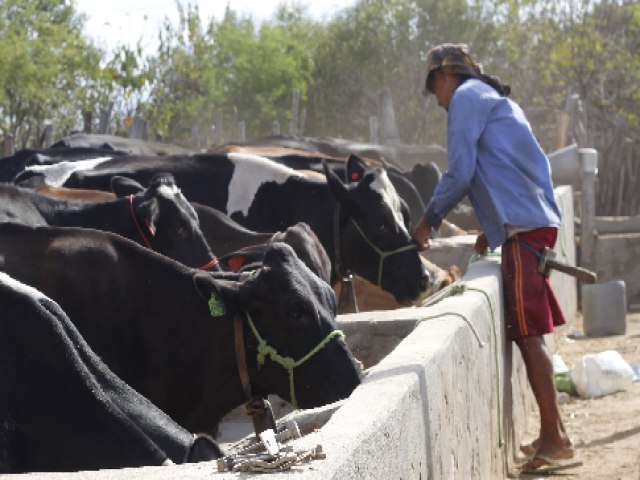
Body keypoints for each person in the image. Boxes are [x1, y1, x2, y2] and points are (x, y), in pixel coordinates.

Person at [412, 43, 579, 474]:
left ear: (446, 76)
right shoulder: (492, 99)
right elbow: (506, 166)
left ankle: (555, 439)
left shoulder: (467, 99)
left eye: (434, 87)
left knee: (528, 334)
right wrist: (494, 224)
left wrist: (429, 220)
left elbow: (462, 170)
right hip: (526, 222)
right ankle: (553, 432)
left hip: (525, 227)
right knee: (529, 331)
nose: (437, 98)